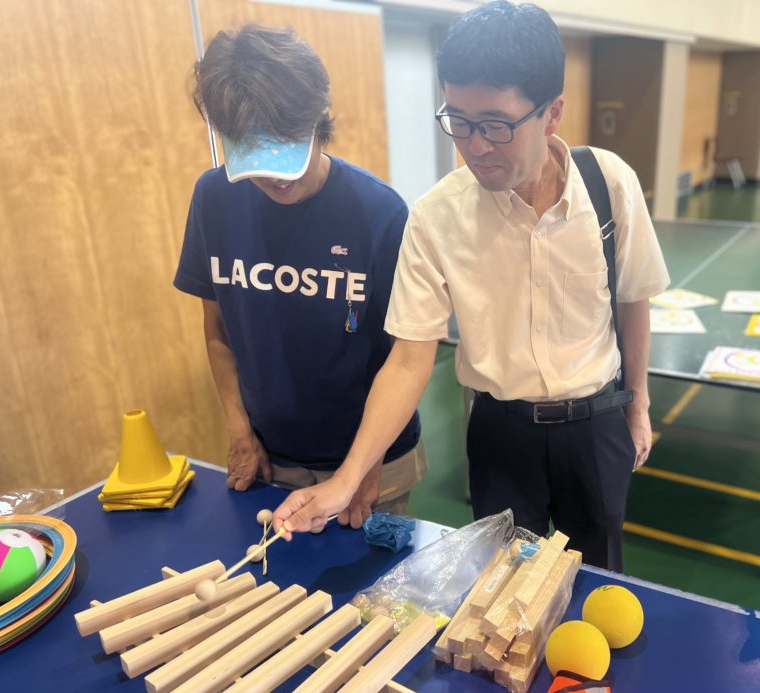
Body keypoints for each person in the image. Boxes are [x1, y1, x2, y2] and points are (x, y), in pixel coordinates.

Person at [272, 1, 668, 570]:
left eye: (496, 125)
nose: (475, 145)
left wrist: (638, 405)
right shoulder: (436, 217)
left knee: (598, 576)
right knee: (502, 584)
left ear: (552, 113)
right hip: (500, 435)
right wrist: (346, 478)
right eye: (458, 120)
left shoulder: (609, 184)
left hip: (597, 423)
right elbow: (408, 360)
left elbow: (632, 300)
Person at [174, 24, 424, 525]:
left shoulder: (380, 213)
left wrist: (362, 466)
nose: (272, 178)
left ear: (317, 118)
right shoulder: (214, 199)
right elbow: (218, 329)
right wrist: (239, 428)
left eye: (283, 150)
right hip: (273, 457)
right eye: (252, 155)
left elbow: (403, 357)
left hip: (370, 457)